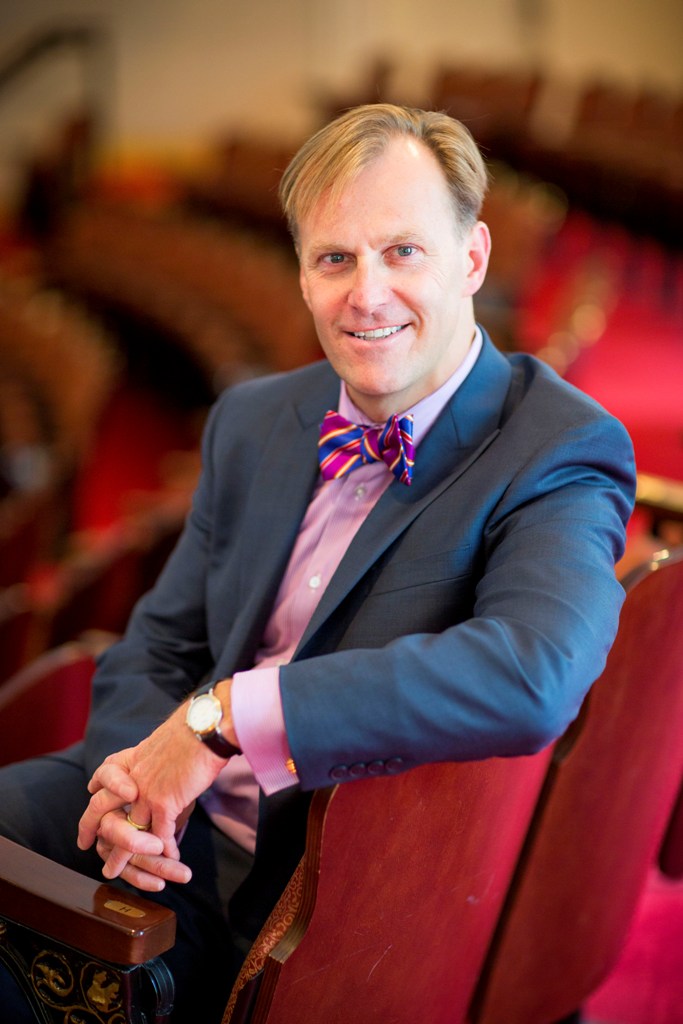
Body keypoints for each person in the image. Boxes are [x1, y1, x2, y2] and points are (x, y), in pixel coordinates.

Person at [0, 103, 636, 1023]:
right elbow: (160, 643)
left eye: (402, 252)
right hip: (177, 829)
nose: (365, 295)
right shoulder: (254, 418)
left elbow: (532, 675)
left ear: (471, 258)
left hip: (328, 886)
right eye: (334, 258)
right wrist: (137, 790)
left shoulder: (557, 446)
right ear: (300, 274)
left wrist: (223, 720)